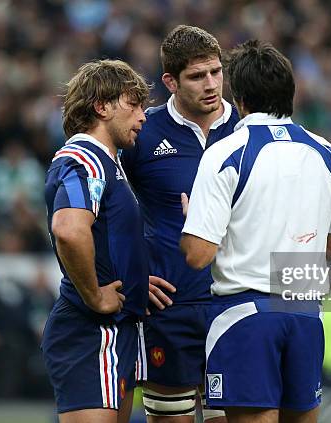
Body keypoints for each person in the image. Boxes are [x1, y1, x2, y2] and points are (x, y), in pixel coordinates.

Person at [180, 40, 331, 423]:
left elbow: (197, 255)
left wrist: (195, 220)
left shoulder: (227, 152)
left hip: (246, 314)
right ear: (290, 94)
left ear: (239, 98)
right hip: (306, 313)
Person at [120, 25, 238, 422]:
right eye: (196, 76)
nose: (211, 84)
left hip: (234, 303)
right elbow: (105, 208)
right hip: (170, 306)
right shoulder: (143, 131)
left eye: (216, 72)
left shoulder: (246, 129)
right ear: (170, 81)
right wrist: (130, 274)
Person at [42, 59, 150, 423]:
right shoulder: (84, 158)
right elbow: (70, 229)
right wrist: (94, 294)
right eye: (133, 105)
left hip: (114, 332)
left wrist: (137, 278)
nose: (142, 117)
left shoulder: (109, 164)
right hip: (91, 332)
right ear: (101, 107)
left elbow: (107, 237)